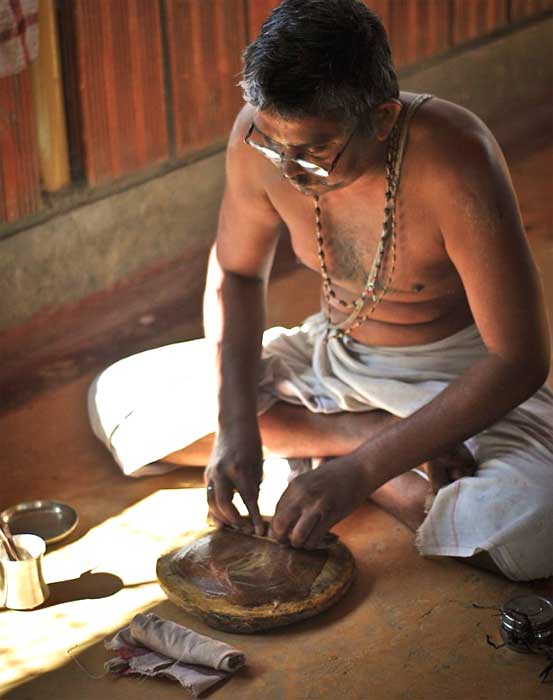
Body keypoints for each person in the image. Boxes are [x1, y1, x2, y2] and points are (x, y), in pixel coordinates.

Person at [88, 0, 553, 581]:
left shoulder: (454, 156)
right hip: (329, 359)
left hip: (452, 382)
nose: (286, 168)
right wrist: (234, 427)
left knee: (534, 527)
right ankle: (373, 447)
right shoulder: (259, 138)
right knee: (117, 396)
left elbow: (519, 360)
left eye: (313, 151)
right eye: (271, 143)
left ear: (382, 120)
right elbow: (235, 274)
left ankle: (374, 471)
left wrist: (361, 474)